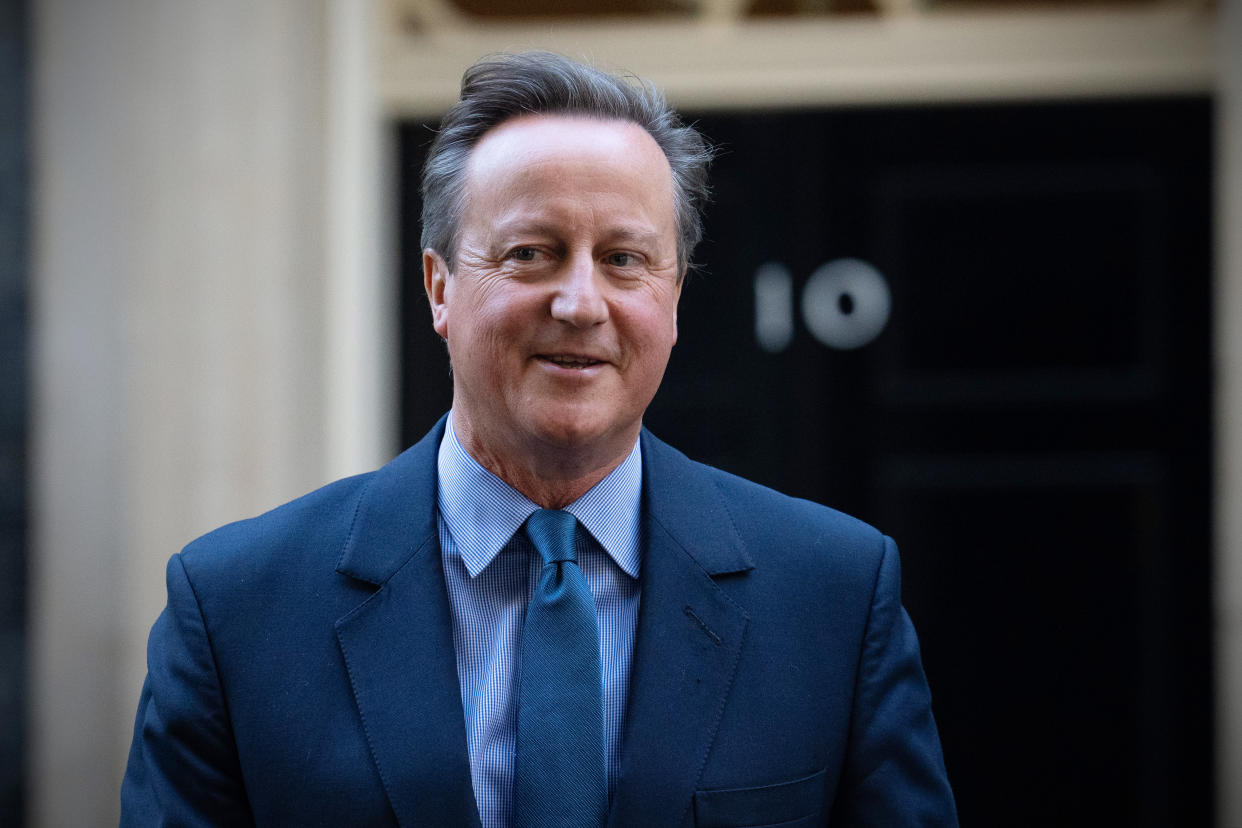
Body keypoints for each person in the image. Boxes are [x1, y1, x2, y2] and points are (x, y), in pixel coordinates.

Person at [121, 51, 957, 827]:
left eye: (626, 259)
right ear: (439, 286)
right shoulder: (235, 609)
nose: (582, 303)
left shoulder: (833, 599)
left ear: (674, 298)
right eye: (532, 253)